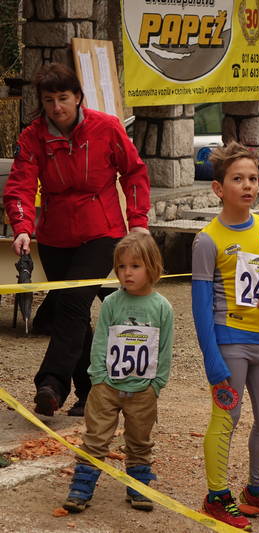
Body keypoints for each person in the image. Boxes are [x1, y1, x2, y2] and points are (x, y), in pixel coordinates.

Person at [3, 63, 151, 416]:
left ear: (78, 97)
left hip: (102, 232)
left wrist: (138, 222)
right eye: (49, 100)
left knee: (70, 302)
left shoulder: (107, 127)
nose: (57, 107)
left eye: (63, 98)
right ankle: (90, 394)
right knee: (74, 313)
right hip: (55, 236)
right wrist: (22, 226)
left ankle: (51, 383)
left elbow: (134, 172)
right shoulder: (33, 136)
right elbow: (20, 184)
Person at [192, 142, 259, 530]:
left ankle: (257, 491)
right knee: (227, 416)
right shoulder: (207, 240)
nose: (248, 185)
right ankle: (217, 496)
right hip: (229, 341)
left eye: (253, 178)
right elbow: (200, 306)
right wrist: (212, 359)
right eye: (238, 179)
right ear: (218, 188)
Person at [62, 233, 173, 513]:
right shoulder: (111, 303)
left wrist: (156, 383)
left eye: (135, 266)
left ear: (152, 266)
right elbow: (100, 341)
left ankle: (139, 486)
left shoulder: (162, 307)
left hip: (143, 390)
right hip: (107, 387)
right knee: (95, 438)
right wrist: (98, 378)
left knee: (139, 441)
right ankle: (81, 487)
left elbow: (165, 349)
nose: (127, 273)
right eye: (121, 266)